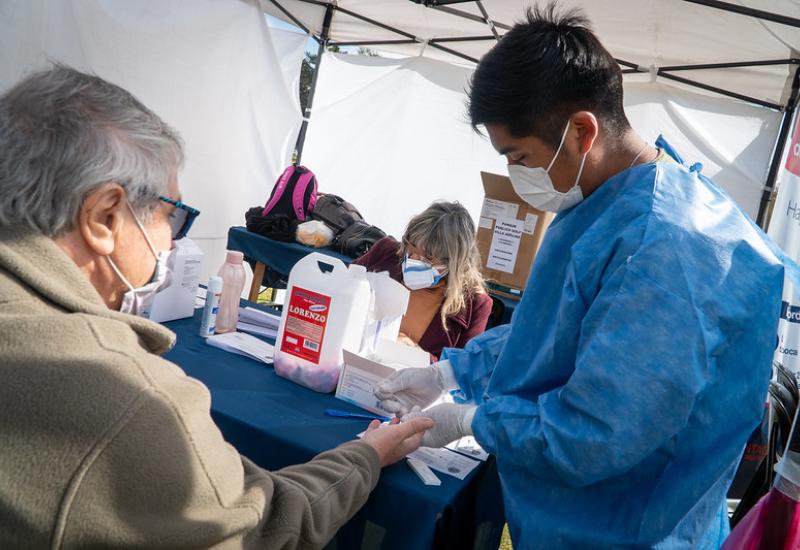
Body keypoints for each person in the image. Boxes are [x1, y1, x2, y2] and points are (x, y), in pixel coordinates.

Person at [375, 6, 789, 549]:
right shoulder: (607, 199)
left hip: (628, 527)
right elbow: (556, 331)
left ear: (581, 130)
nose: (516, 174)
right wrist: (449, 375)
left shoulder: (665, 246)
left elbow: (594, 434)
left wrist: (475, 420)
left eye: (518, 155)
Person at [0, 65, 432, 548]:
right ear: (104, 217)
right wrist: (366, 455)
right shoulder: (127, 396)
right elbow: (265, 528)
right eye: (172, 214)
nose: (171, 238)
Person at [353, 201, 492, 360]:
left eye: (428, 259)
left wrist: (414, 353)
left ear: (453, 263)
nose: (413, 260)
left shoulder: (475, 305)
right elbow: (340, 288)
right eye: (411, 249)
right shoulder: (385, 252)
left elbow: (463, 370)